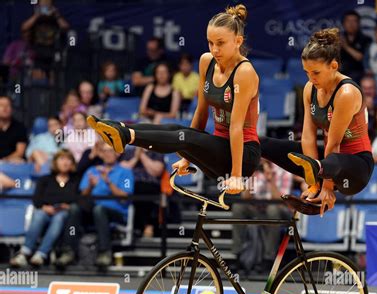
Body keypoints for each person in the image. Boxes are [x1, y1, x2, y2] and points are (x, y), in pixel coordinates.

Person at [88, 4, 261, 195]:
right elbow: (201, 112)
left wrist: (236, 176)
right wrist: (188, 158)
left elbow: (236, 127)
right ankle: (119, 127)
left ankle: (126, 136)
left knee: (184, 137)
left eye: (220, 43)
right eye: (210, 43)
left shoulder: (244, 72)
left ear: (237, 41)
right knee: (176, 129)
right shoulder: (206, 61)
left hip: (242, 157)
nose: (214, 49)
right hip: (216, 151)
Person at [260, 28, 374, 215]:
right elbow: (308, 137)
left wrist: (327, 188)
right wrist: (313, 185)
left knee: (332, 159)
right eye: (306, 73)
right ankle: (229, 155)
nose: (311, 78)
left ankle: (317, 170)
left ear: (334, 66)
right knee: (265, 144)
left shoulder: (346, 93)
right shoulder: (309, 89)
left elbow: (335, 143)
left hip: (356, 169)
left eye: (316, 73)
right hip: (327, 162)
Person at [57, 144, 134, 268]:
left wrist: (108, 182)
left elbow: (125, 197)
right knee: (75, 208)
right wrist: (91, 186)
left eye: (111, 151)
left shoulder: (125, 172)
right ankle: (68, 251)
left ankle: (105, 253)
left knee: (99, 210)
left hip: (116, 212)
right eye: (105, 151)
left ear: (117, 153)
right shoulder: (92, 171)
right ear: (101, 154)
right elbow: (82, 195)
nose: (108, 154)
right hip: (91, 210)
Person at [9, 150, 79, 268]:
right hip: (45, 210)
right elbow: (36, 199)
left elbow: (79, 199)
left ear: (72, 163)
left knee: (59, 218)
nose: (65, 162)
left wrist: (66, 206)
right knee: (39, 214)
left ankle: (41, 254)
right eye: (62, 159)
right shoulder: (45, 179)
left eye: (68, 159)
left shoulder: (76, 181)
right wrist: (45, 207)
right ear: (55, 162)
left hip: (63, 214)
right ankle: (25, 253)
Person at [232, 160, 292, 274]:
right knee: (238, 207)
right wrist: (251, 177)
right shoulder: (255, 170)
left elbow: (281, 200)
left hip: (280, 210)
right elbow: (245, 198)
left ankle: (268, 259)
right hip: (258, 208)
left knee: (272, 210)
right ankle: (238, 254)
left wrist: (270, 180)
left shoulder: (283, 171)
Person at [120, 147, 165, 237]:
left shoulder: (157, 152)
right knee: (133, 189)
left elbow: (156, 171)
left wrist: (142, 155)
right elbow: (123, 169)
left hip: (151, 186)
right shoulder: (129, 152)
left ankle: (144, 226)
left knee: (144, 189)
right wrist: (136, 158)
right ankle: (145, 226)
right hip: (129, 184)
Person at [20, 0, 69, 81]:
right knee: (38, 75)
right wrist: (36, 16)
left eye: (48, 3)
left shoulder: (55, 16)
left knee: (53, 75)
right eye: (43, 4)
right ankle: (38, 90)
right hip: (38, 49)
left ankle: (53, 91)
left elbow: (66, 27)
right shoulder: (35, 16)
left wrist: (57, 16)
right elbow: (24, 28)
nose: (45, 5)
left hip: (53, 49)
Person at [339, 10, 371, 84]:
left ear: (359, 24)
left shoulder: (366, 40)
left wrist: (345, 46)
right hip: (340, 73)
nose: (351, 24)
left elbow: (360, 57)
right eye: (348, 21)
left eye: (354, 21)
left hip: (358, 74)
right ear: (343, 24)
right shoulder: (338, 38)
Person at [0, 96, 28, 162]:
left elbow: (20, 152)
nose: (5, 108)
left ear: (12, 109)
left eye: (7, 105)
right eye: (1, 105)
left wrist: (3, 161)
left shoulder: (19, 127)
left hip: (13, 163)